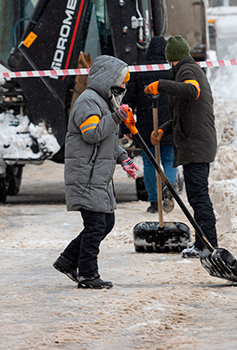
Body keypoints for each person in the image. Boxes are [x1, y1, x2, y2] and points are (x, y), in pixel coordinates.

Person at [53, 55, 138, 289]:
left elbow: (107, 139)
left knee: (106, 222)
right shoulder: (87, 102)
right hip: (86, 174)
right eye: (122, 81)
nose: (124, 87)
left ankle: (68, 260)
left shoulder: (103, 102)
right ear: (108, 79)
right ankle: (88, 274)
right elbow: (92, 134)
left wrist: (123, 158)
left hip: (96, 175)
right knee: (96, 226)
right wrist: (116, 117)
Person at [144, 36, 218, 258]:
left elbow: (192, 91)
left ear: (172, 59)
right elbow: (182, 113)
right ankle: (202, 242)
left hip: (197, 145)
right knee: (197, 197)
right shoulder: (186, 69)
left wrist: (162, 85)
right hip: (195, 143)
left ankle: (208, 245)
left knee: (199, 197)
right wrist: (163, 131)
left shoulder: (188, 71)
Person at [123, 36, 176, 214]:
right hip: (169, 124)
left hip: (146, 125)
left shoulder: (140, 70)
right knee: (169, 159)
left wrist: (126, 128)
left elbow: (128, 102)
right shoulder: (171, 71)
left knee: (149, 163)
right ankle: (168, 191)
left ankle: (154, 201)